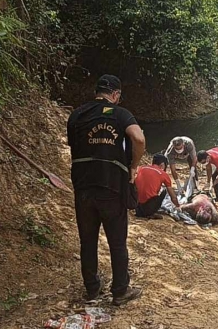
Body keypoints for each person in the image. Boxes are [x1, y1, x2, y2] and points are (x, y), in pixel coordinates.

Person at [67, 74, 145, 305]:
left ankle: (91, 287)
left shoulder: (77, 115)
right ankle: (120, 291)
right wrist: (133, 166)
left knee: (88, 240)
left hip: (83, 188)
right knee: (117, 241)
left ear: (97, 92)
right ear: (116, 95)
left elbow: (74, 147)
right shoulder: (120, 114)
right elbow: (138, 139)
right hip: (111, 188)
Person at [134, 154, 181, 219]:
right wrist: (178, 206)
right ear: (162, 164)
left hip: (136, 205)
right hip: (148, 208)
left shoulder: (141, 168)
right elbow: (173, 197)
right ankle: (150, 214)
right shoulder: (163, 174)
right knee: (164, 191)